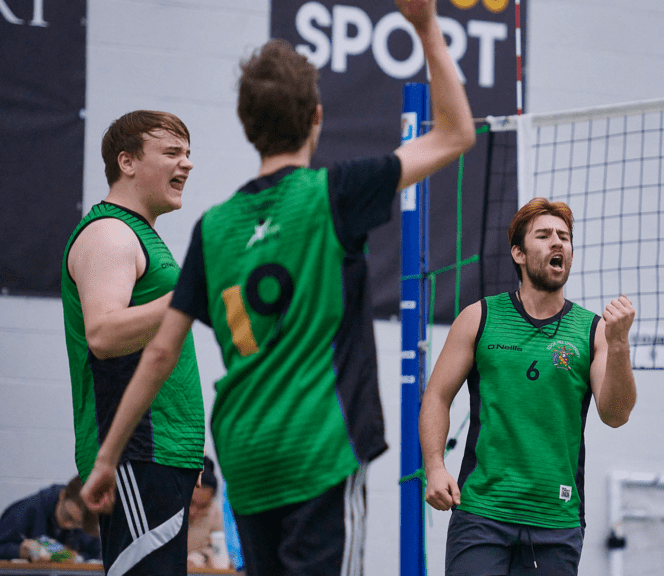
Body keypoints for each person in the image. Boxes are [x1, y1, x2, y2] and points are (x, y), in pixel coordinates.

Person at [80, 0, 474, 574]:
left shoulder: (214, 227)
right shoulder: (335, 193)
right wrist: (425, 26)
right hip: (318, 446)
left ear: (246, 126)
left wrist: (106, 458)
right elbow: (455, 133)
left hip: (246, 451)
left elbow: (162, 350)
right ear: (316, 116)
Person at [419, 197, 638, 576]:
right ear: (519, 253)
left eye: (565, 237)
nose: (558, 243)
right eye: (545, 235)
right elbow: (437, 397)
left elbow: (616, 415)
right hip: (482, 515)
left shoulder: (594, 331)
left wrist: (619, 344)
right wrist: (435, 468)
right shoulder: (478, 317)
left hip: (556, 521)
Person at [61, 110, 205, 576]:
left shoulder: (145, 236)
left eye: (188, 154)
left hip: (165, 453)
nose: (186, 164)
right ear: (126, 162)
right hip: (137, 451)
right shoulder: (110, 234)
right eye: (171, 153)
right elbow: (102, 335)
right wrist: (191, 296)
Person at [0, 477, 101, 562]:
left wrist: (77, 558)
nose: (68, 525)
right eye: (67, 516)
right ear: (62, 495)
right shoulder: (23, 512)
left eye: (78, 524)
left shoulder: (88, 523)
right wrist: (18, 551)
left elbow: (97, 555)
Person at [187, 456, 228, 570]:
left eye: (203, 506)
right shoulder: (165, 510)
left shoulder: (215, 516)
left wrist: (200, 557)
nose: (193, 512)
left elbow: (219, 549)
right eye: (191, 502)